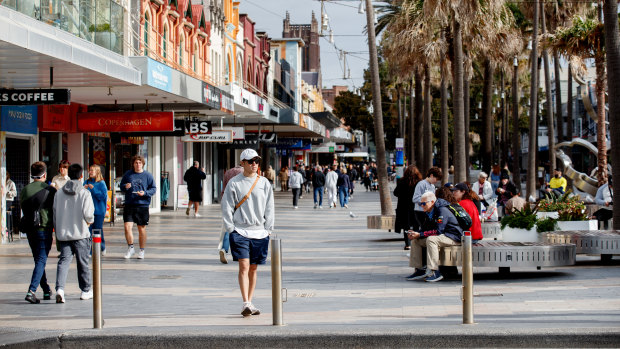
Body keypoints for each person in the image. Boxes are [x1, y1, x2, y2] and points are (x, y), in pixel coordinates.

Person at [221, 148, 274, 317]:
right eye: (250, 161)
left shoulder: (264, 183)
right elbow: (226, 206)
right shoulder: (234, 183)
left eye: (256, 161)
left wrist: (268, 230)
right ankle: (245, 302)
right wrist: (231, 229)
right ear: (242, 163)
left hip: (260, 232)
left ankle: (250, 302)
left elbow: (269, 207)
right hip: (240, 231)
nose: (254, 164)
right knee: (244, 265)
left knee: (253, 268)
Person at [54, 163, 95, 303]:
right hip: (81, 233)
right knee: (82, 262)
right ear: (81, 175)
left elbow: (55, 212)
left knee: (64, 261)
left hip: (63, 233)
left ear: (69, 174)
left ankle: (60, 289)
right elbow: (89, 214)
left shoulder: (59, 193)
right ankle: (85, 290)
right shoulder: (84, 193)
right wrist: (89, 222)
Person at [20, 162, 56, 304]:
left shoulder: (25, 190)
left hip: (30, 229)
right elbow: (55, 210)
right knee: (41, 260)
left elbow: (23, 207)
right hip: (44, 228)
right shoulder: (50, 190)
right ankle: (32, 291)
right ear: (45, 174)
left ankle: (46, 289)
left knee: (38, 260)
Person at [407, 192, 463, 282]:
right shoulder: (429, 212)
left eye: (424, 203)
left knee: (431, 239)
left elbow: (438, 231)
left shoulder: (442, 210)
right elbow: (425, 229)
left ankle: (434, 271)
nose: (422, 206)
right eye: (421, 203)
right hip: (443, 236)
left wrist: (420, 234)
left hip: (453, 237)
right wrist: (416, 233)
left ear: (432, 202)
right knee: (416, 241)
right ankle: (420, 269)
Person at [120, 155, 156, 259]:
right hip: (129, 204)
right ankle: (130, 248)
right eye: (136, 163)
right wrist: (125, 187)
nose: (138, 165)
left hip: (142, 205)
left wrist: (144, 193)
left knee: (141, 229)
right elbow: (122, 186)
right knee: (127, 227)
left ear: (143, 164)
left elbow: (153, 189)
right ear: (133, 164)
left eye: (140, 163)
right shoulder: (128, 174)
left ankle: (142, 250)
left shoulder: (148, 175)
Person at [218, 164, 245, 264]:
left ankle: (224, 249)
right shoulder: (244, 172)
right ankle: (239, 252)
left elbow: (224, 188)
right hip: (240, 203)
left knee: (228, 227)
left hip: (228, 201)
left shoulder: (228, 172)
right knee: (241, 227)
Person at [394, 165, 422, 250]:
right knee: (416, 225)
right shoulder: (419, 182)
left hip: (404, 207)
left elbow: (396, 193)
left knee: (406, 226)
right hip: (416, 207)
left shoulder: (402, 181)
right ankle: (416, 243)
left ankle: (407, 244)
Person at [84, 164, 108, 255]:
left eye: (92, 170)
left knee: (97, 229)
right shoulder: (86, 182)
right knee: (88, 231)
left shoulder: (101, 183)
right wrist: (83, 188)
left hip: (98, 211)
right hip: (88, 210)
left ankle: (101, 247)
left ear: (97, 172)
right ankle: (89, 250)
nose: (90, 172)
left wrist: (93, 189)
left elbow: (102, 196)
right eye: (90, 170)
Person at [411, 167, 442, 231]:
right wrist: (426, 201)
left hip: (429, 211)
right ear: (431, 175)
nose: (436, 181)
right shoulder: (421, 184)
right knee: (424, 228)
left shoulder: (432, 186)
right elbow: (415, 198)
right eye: (436, 179)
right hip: (420, 211)